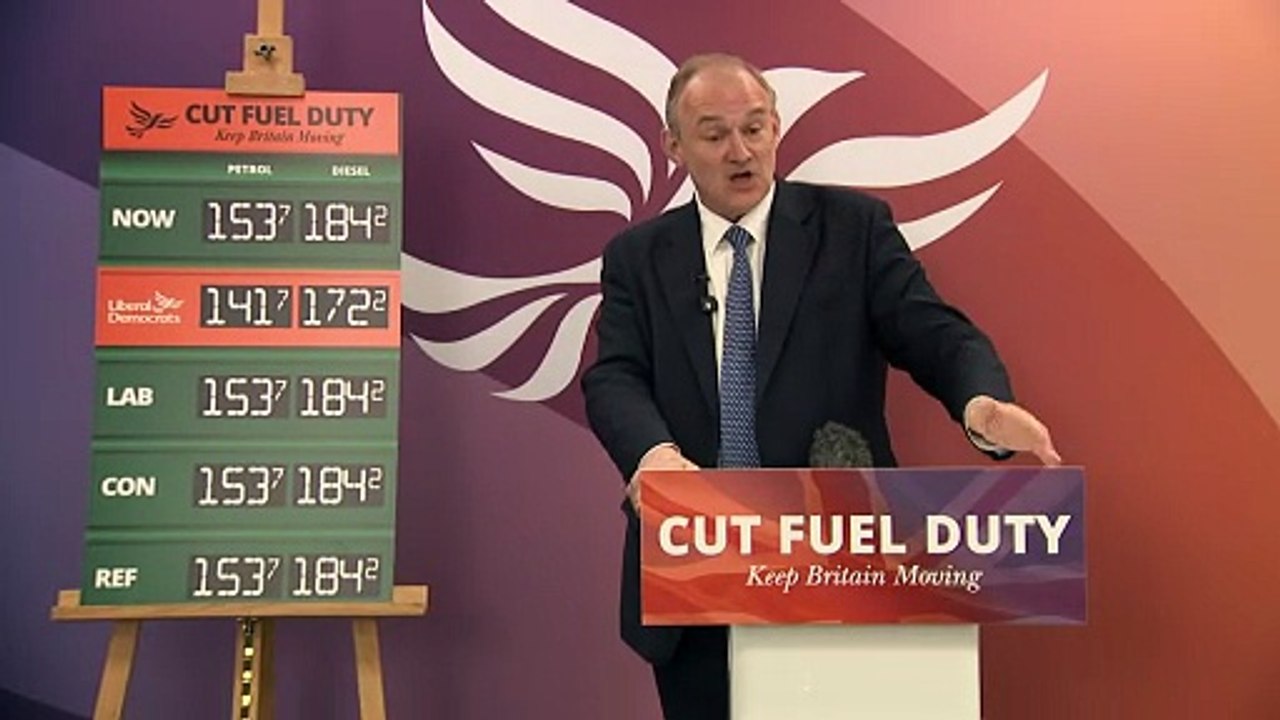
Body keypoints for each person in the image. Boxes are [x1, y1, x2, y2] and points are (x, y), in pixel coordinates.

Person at [580, 52, 1060, 720]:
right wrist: (653, 456)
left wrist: (980, 403)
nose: (741, 151)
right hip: (697, 568)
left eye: (755, 127)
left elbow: (932, 331)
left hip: (837, 563)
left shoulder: (853, 231)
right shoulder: (638, 257)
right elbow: (615, 376)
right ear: (674, 146)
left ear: (776, 128)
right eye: (715, 135)